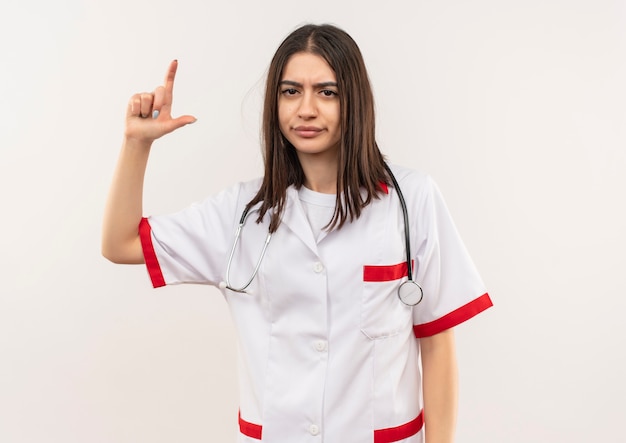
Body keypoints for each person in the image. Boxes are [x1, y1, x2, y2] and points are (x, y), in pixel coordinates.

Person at [102, 23, 492, 443]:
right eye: (291, 92)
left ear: (354, 101)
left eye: (327, 92)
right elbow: (119, 243)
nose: (306, 109)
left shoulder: (411, 200)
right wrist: (136, 143)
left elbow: (435, 343)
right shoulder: (241, 213)